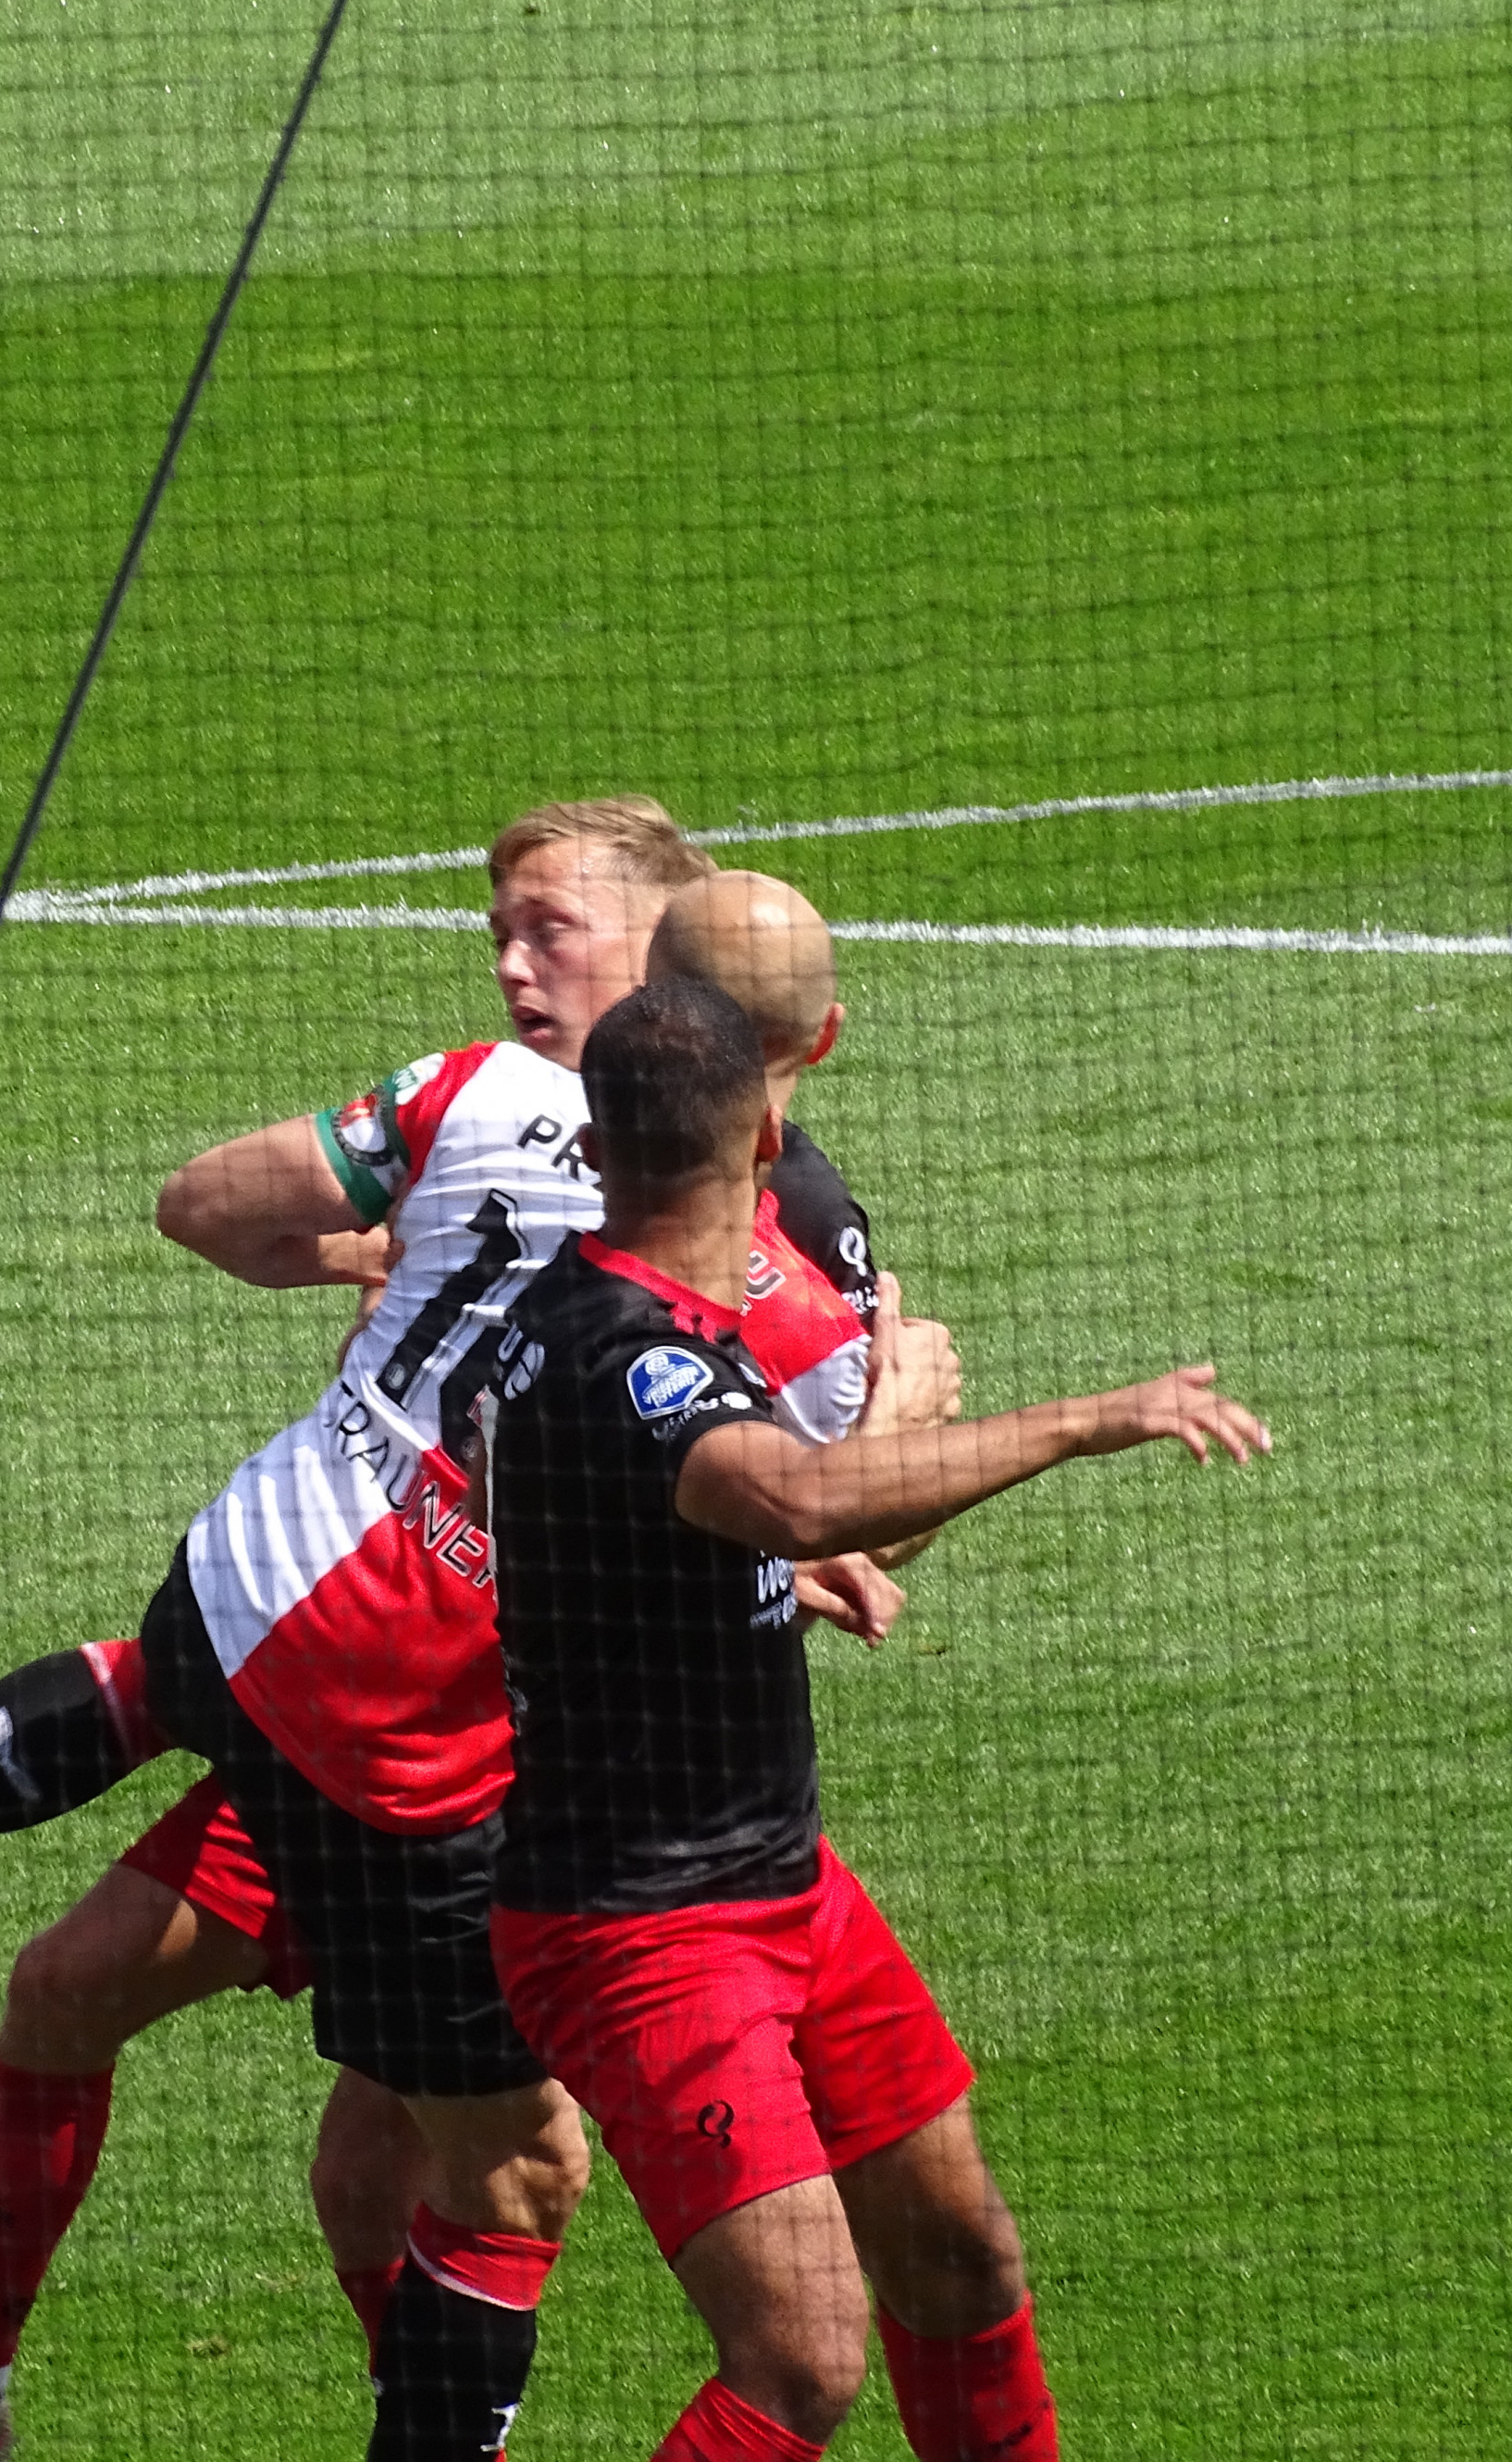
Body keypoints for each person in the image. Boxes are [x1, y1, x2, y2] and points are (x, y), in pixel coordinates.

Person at [0, 822, 940, 2462]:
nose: (515, 967)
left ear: (680, 978)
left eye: (552, 934)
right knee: (111, 2005)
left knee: (447, 2157)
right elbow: (824, 1491)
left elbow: (814, 1509)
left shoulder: (755, 1217)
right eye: (499, 934)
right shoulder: (574, 1143)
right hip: (367, 1712)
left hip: (465, 1758)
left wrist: (780, 1502)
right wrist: (893, 1426)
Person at [471, 979, 1269, 2461]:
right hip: (643, 1932)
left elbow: (748, 1516)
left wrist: (833, 1493)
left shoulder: (616, 1322)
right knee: (801, 2362)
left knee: (961, 2254)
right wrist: (1092, 1416)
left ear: (597, 1136)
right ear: (768, 1130)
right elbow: (787, 1495)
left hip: (784, 1889)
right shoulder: (628, 1351)